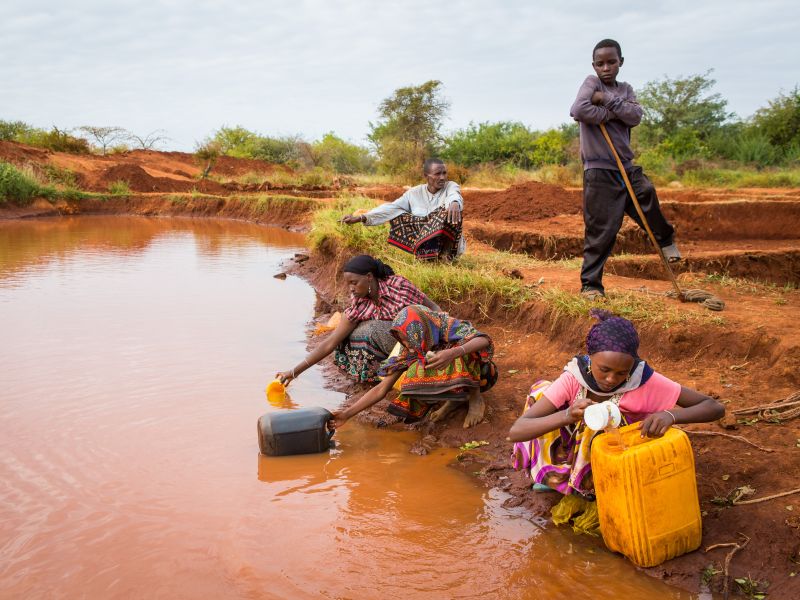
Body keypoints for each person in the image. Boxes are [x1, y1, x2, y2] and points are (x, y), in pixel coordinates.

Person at [508, 309, 724, 498]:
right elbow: (517, 431)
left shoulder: (644, 380)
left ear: (632, 365)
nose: (611, 379)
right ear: (590, 357)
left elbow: (714, 407)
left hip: (622, 456)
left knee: (600, 422)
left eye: (622, 372)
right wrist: (567, 416)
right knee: (541, 392)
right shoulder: (574, 377)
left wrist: (671, 415)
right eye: (604, 370)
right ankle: (556, 475)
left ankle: (591, 488)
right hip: (577, 440)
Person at [570, 39, 681, 300]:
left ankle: (665, 241)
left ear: (621, 62)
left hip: (626, 167)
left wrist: (605, 101)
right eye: (601, 63)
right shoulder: (591, 82)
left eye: (611, 62)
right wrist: (611, 114)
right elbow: (578, 109)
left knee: (648, 195)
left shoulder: (625, 89)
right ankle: (591, 286)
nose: (606, 67)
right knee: (601, 230)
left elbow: (635, 116)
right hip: (599, 171)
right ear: (594, 65)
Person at [276, 255, 440, 385]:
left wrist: (444, 333)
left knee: (373, 329)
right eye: (348, 284)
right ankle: (378, 375)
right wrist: (293, 372)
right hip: (402, 349)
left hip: (425, 338)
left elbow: (433, 307)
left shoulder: (398, 285)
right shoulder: (360, 305)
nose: (351, 289)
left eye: (354, 283)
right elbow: (330, 342)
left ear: (369, 277)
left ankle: (414, 364)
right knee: (351, 335)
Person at [330, 305, 498, 430]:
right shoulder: (410, 347)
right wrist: (347, 414)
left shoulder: (446, 325)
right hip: (456, 378)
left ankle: (475, 399)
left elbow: (484, 339)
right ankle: (453, 400)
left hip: (483, 376)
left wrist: (453, 353)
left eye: (407, 338)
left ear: (417, 330)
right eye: (402, 339)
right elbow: (381, 388)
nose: (407, 345)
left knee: (460, 349)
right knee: (413, 374)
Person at [340, 158, 465, 261]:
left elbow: (455, 194)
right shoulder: (414, 193)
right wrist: (361, 217)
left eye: (444, 173)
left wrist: (454, 202)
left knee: (449, 211)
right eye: (437, 174)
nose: (442, 177)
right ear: (426, 176)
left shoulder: (450, 186)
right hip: (423, 242)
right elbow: (392, 207)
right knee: (398, 213)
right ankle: (424, 255)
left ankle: (445, 258)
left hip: (447, 245)